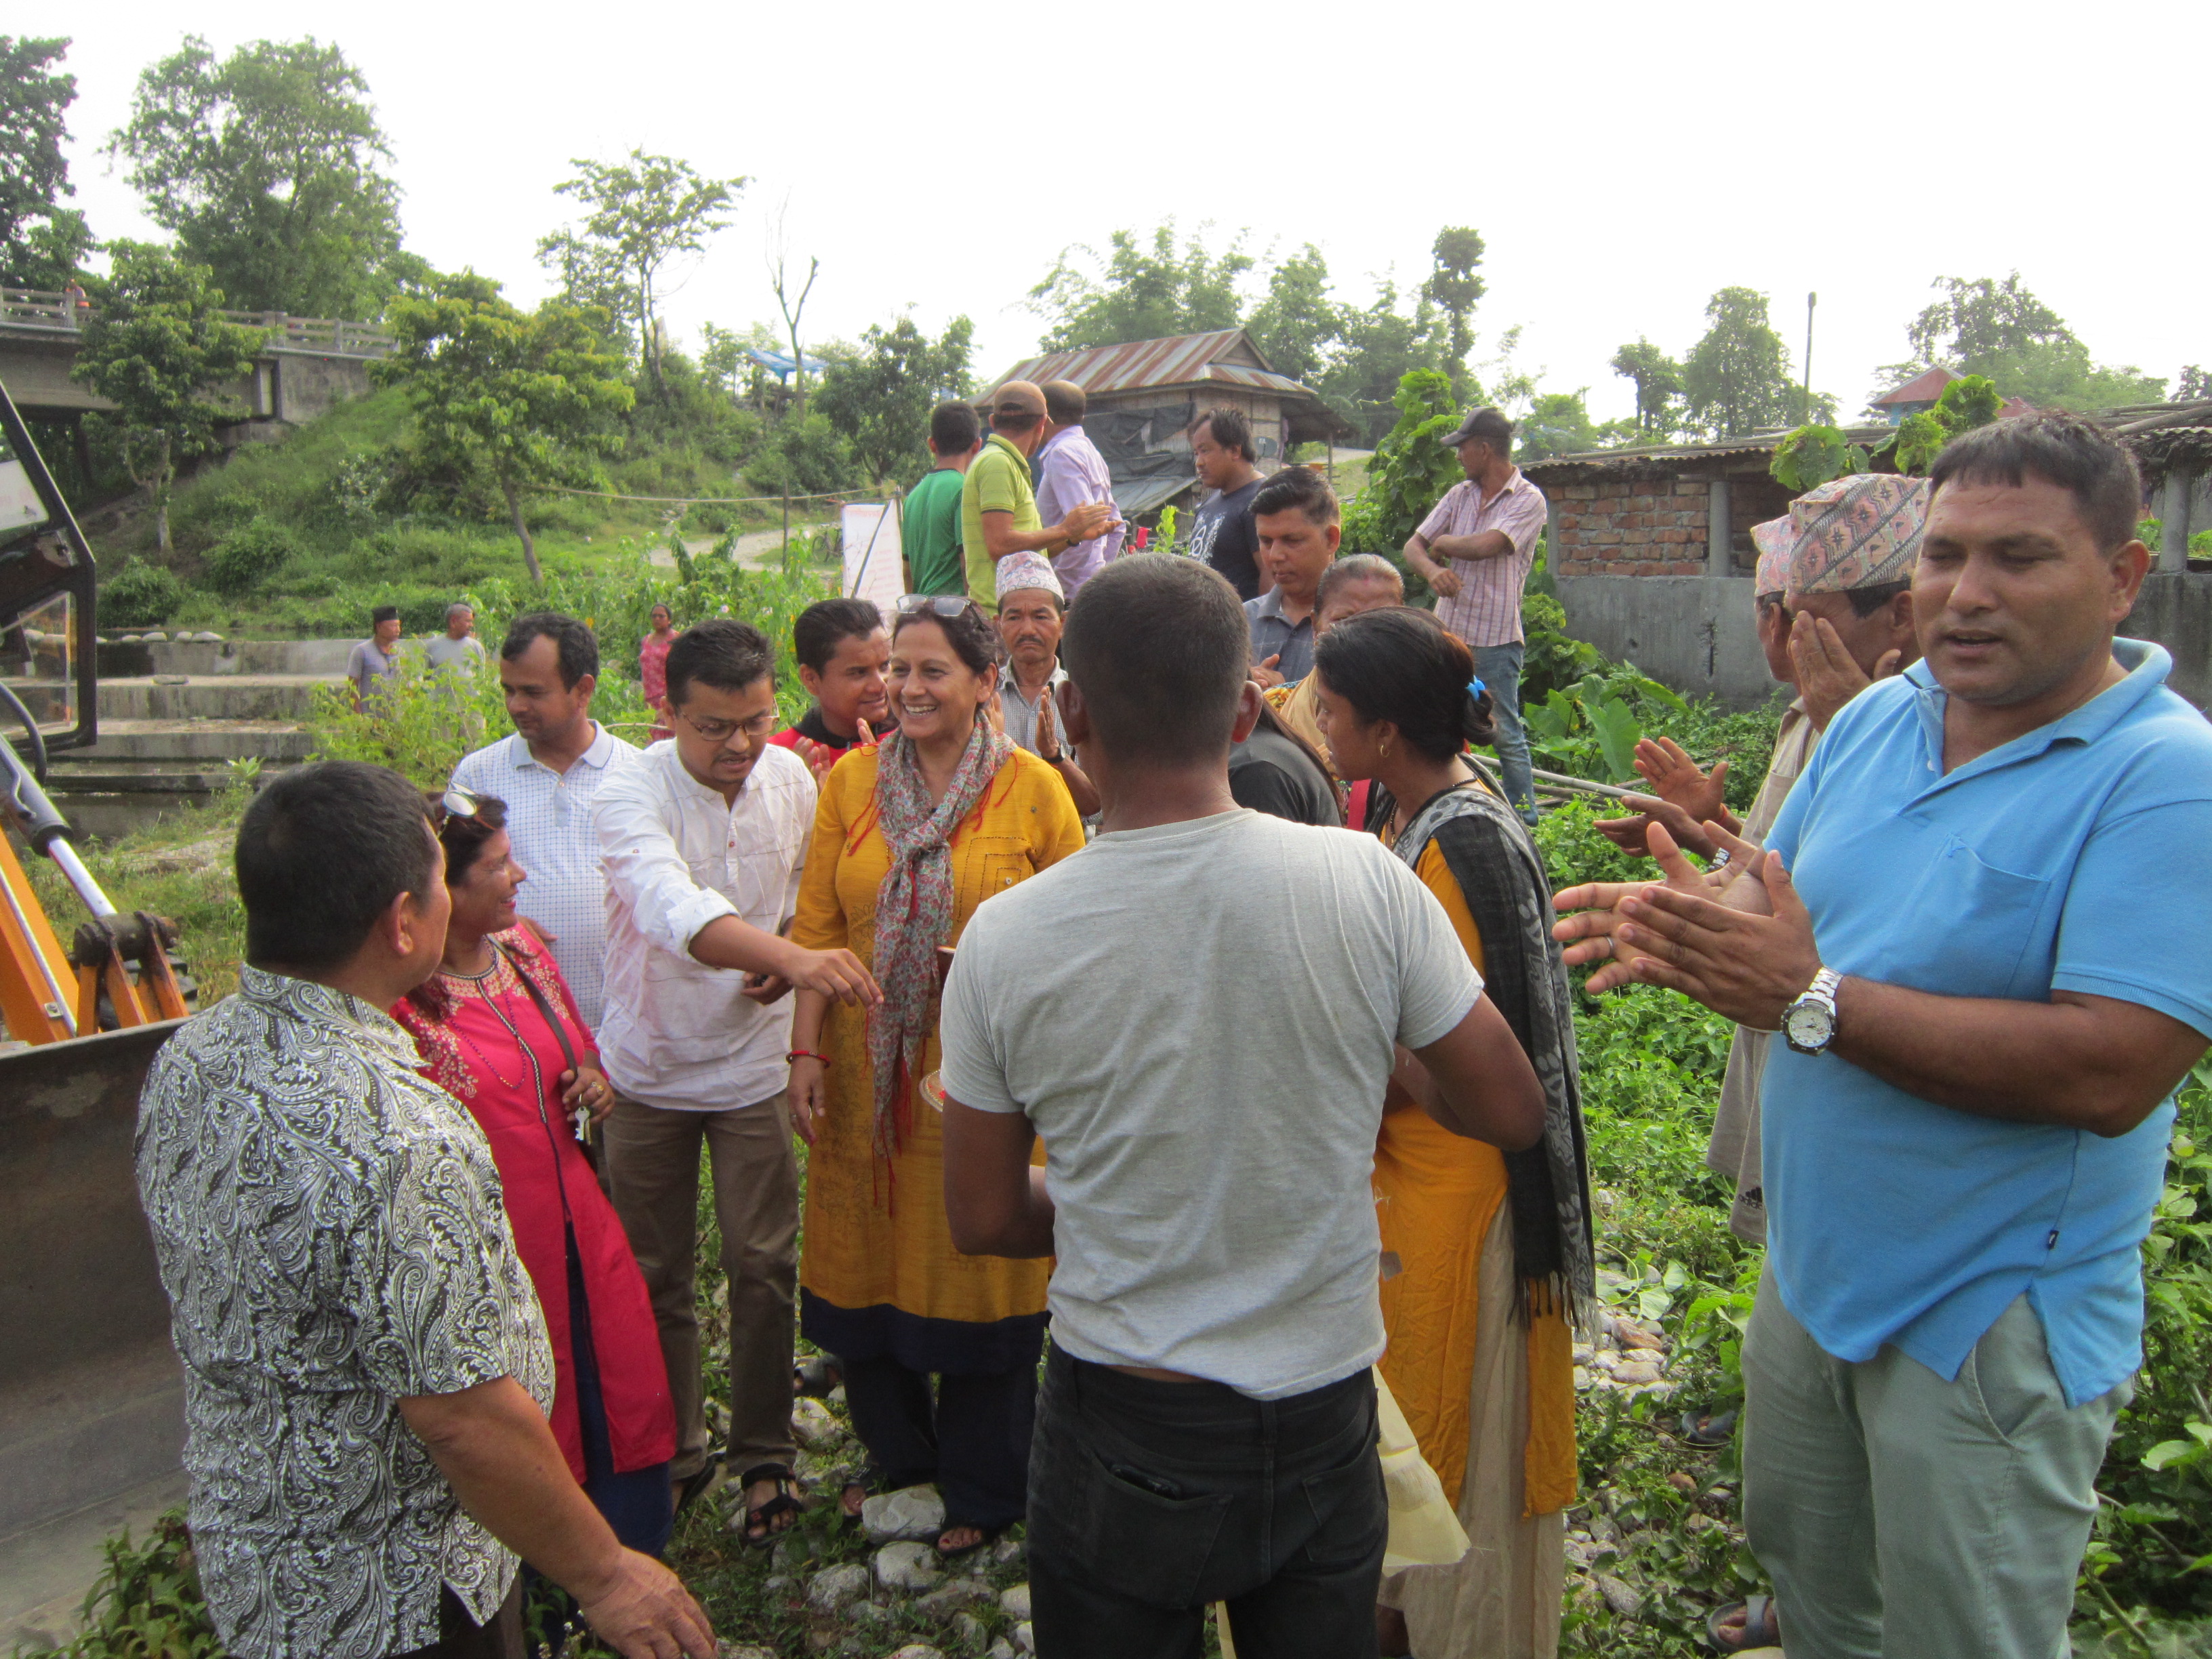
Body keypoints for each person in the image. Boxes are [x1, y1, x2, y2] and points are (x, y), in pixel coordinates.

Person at [1554, 414, 2212, 1659]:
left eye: (2016, 558)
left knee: (1964, 1632)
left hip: (1985, 1309)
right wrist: (1700, 921)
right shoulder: (1874, 717)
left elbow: (2111, 1067)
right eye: (1943, 555)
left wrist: (1807, 995)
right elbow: (1774, 898)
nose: (1963, 595)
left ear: (2119, 576)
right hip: (1814, 1271)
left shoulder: (2161, 776)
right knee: (1818, 1595)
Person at [936, 556, 1549, 1659]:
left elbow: (980, 1215)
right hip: (1321, 1408)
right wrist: (1367, 1068)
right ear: (1241, 711)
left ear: (1069, 712)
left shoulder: (1004, 938)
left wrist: (1136, 1200)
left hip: (1121, 1416)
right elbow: (1510, 1106)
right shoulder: (1362, 880)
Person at [136, 761, 713, 1659]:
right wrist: (606, 1573)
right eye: (442, 878)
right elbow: (460, 1414)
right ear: (404, 923)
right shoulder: (396, 1130)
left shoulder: (192, 1057)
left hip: (261, 1562)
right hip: (403, 1589)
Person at [1311, 606, 1593, 1659]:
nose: (1320, 725)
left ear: (1384, 730)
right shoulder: (1422, 813)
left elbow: (1460, 1065)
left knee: (1450, 1438)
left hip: (1462, 1195)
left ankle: (1449, 1630)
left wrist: (1341, 1037)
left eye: (1332, 711)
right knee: (1421, 1422)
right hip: (1424, 1184)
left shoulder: (1456, 842)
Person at [788, 593, 1084, 1557]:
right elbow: (820, 930)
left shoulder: (1035, 789)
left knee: (982, 1264)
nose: (904, 688)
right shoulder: (850, 788)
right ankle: (899, 1459)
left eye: (929, 671)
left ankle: (986, 1486)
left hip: (988, 1079)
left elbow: (1075, 938)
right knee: (866, 1253)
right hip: (866, 1074)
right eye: (893, 671)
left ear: (984, 681)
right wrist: (802, 1051)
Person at [593, 619, 882, 1540]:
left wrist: (785, 951)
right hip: (647, 1069)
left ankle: (765, 1454)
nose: (740, 746)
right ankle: (673, 1449)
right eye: (715, 727)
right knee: (653, 1272)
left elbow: (809, 894)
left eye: (755, 721)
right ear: (669, 714)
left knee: (763, 1265)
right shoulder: (631, 790)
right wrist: (793, 961)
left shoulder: (792, 779)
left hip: (752, 1066)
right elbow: (671, 904)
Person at [1596, 474, 1925, 1250]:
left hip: (1848, 1046)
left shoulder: (1897, 727)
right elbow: (1784, 866)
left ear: (1901, 614)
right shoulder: (1814, 717)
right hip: (1799, 1028)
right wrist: (1708, 834)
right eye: (1778, 609)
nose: (1779, 629)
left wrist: (1714, 851)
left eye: (1802, 611)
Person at [392, 792, 678, 1570]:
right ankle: (553, 1568)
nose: (518, 876)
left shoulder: (522, 952)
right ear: (437, 891)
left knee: (614, 1370)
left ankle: (634, 1548)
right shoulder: (400, 1009)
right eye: (495, 867)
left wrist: (594, 1083)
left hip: (580, 1220)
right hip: (496, 1245)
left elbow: (579, 1054)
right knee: (526, 1389)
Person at [450, 614, 639, 1031]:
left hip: (623, 1029)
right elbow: (449, 891)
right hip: (515, 1029)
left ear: (583, 690)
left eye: (533, 692)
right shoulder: (477, 777)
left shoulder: (638, 775)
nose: (516, 705)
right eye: (509, 690)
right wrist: (500, 929)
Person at [1401, 408, 1549, 825]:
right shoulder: (1459, 495)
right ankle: (1444, 806)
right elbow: (1415, 546)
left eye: (1463, 448)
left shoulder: (1527, 498)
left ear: (1484, 449)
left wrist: (1445, 542)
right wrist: (1432, 570)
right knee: (1438, 720)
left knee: (1505, 731)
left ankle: (1525, 821)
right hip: (1447, 631)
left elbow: (1490, 544)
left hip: (1496, 638)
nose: (1459, 456)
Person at [1269, 555, 1405, 827]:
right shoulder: (1272, 711)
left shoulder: (1419, 726)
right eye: (1344, 620)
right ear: (1316, 627)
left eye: (1382, 621)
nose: (1363, 638)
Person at [961, 381, 1118, 607]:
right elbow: (1000, 545)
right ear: (1042, 423)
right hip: (999, 611)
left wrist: (1073, 538)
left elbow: (1029, 551)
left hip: (1015, 608)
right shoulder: (998, 462)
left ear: (993, 422)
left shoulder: (1007, 462)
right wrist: (1066, 529)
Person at [993, 551, 1100, 815]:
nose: (1028, 630)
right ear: (999, 625)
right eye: (1015, 617)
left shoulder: (1084, 698)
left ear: (1063, 623)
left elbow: (1095, 805)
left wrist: (1054, 754)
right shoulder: (982, 698)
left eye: (1041, 617)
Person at [769, 597, 892, 773]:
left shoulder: (916, 744)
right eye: (859, 672)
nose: (881, 685)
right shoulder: (779, 757)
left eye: (885, 666)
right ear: (811, 679)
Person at [1245, 466, 1341, 689]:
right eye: (1266, 541)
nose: (1275, 556)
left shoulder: (1359, 624)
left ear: (1331, 539)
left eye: (1292, 540)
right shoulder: (1239, 624)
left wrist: (1286, 697)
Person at [1034, 380, 1125, 595]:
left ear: (1043, 418)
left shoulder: (1061, 454)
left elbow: (1081, 528)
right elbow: (1117, 526)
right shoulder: (1089, 451)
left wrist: (1060, 587)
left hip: (1071, 592)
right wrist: (1100, 574)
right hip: (1088, 587)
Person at [1185, 407, 1266, 600]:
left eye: (1204, 451)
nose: (1198, 462)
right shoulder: (1210, 503)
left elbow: (1270, 573)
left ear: (1235, 450)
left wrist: (1261, 626)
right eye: (1196, 453)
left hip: (1239, 626)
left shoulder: (1262, 500)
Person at [905, 403, 983, 598]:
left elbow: (907, 571)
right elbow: (967, 564)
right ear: (977, 445)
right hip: (953, 612)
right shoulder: (964, 490)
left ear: (932, 444)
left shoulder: (912, 497)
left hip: (921, 610)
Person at [350, 604, 404, 712]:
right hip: (371, 716)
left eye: (398, 626)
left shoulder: (399, 652)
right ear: (379, 627)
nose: (398, 630)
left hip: (396, 716)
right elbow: (352, 686)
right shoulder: (362, 651)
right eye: (393, 626)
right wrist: (359, 715)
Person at [639, 603, 679, 741]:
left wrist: (671, 701)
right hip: (650, 699)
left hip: (668, 698)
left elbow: (681, 672)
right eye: (654, 616)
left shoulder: (676, 640)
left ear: (669, 620)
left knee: (668, 740)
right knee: (652, 739)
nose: (657, 619)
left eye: (661, 616)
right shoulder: (646, 640)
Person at [427, 604, 489, 676]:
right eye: (468, 621)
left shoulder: (476, 647)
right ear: (453, 621)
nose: (471, 625)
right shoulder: (432, 646)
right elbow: (425, 679)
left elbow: (481, 678)